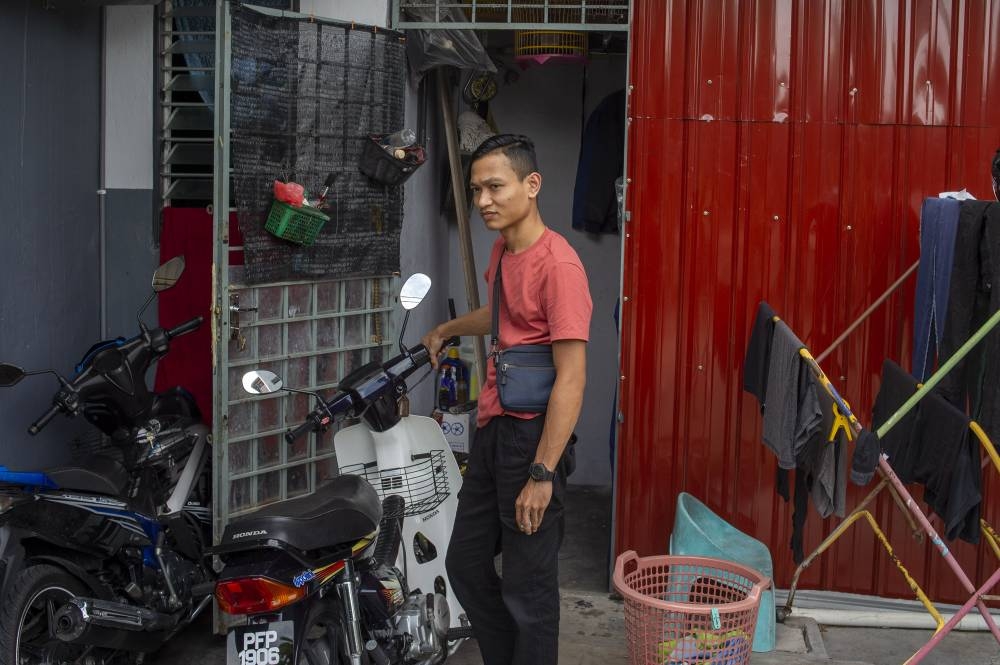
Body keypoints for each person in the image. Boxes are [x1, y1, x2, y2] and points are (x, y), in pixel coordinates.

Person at [421, 134, 592, 665]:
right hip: (494, 430)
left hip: (532, 439)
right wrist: (448, 327)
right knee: (466, 564)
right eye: (476, 190)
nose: (483, 201)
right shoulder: (502, 251)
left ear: (531, 184)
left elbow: (572, 378)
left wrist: (542, 474)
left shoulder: (558, 267)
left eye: (495, 187)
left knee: (528, 588)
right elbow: (501, 316)